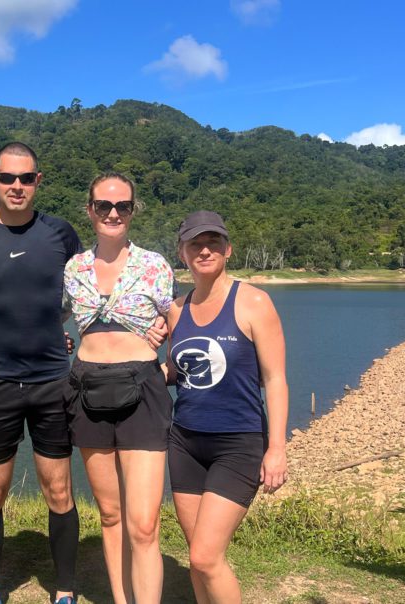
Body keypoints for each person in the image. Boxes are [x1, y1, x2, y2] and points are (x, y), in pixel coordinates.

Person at [0, 142, 82, 604]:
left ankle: (65, 590)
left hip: (53, 379)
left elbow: (85, 289)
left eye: (25, 178)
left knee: (59, 490)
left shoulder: (60, 234)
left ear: (38, 181)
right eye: (8, 177)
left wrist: (63, 329)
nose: (16, 186)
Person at [63, 172, 176, 604]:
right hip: (87, 388)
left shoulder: (154, 265)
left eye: (122, 206)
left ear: (132, 211)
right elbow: (49, 317)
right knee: (110, 515)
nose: (113, 213)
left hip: (143, 390)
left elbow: (179, 316)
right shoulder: (73, 268)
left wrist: (168, 341)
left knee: (143, 523)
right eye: (104, 205)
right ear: (90, 210)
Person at [166, 210, 288, 604]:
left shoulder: (253, 302)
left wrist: (277, 448)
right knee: (198, 556)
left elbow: (275, 380)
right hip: (185, 442)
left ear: (228, 249)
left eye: (213, 242)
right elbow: (178, 370)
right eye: (195, 244)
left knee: (205, 558)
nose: (205, 250)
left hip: (238, 443)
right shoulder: (176, 310)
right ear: (182, 253)